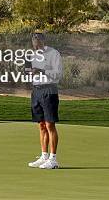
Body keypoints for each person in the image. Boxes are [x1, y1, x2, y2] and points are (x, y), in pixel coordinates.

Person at [27, 32, 63, 169]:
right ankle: (44, 156)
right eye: (33, 44)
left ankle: (53, 160)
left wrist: (41, 71)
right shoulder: (32, 54)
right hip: (36, 91)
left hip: (49, 91)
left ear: (43, 41)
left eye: (38, 43)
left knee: (50, 125)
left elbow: (58, 75)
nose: (36, 47)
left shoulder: (54, 54)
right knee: (41, 125)